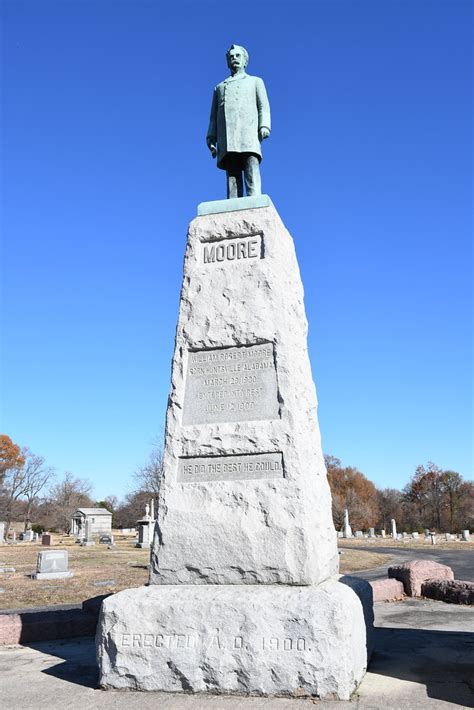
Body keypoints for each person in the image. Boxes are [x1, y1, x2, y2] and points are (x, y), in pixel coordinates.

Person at [206, 44, 271, 198]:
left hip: (248, 131)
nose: (234, 59)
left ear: (245, 60)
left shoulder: (255, 81)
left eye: (237, 56)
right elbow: (213, 116)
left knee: (250, 164)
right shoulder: (219, 88)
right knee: (232, 171)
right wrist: (211, 137)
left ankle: (254, 197)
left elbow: (263, 106)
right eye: (231, 57)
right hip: (227, 136)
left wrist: (264, 125)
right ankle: (233, 201)